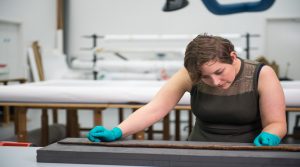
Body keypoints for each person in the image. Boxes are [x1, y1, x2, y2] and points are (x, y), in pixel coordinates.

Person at [87, 34, 287, 146]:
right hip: (198, 150)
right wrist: (117, 131)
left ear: (233, 57)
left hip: (249, 151)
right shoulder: (190, 74)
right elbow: (156, 108)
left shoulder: (262, 74)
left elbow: (277, 122)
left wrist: (272, 135)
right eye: (205, 76)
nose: (214, 81)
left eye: (219, 72)